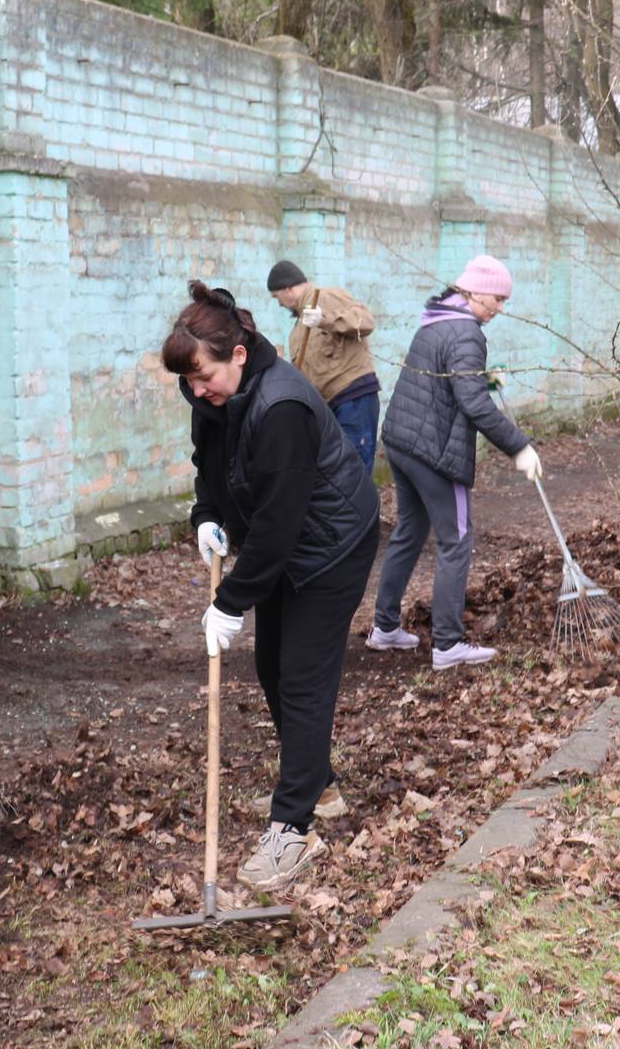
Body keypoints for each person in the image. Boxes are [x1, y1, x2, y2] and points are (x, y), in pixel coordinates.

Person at [164, 280, 381, 892]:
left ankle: (293, 829)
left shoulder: (282, 404)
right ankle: (318, 785)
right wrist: (206, 515)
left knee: (303, 676)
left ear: (238, 354)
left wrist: (231, 600)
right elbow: (208, 461)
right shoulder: (212, 389)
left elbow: (281, 525)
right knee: (271, 667)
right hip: (286, 540)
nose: (197, 390)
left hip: (333, 544)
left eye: (204, 377)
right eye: (189, 381)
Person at [367, 255, 542, 670]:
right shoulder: (467, 333)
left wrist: (484, 378)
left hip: (402, 441)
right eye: (497, 299)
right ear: (476, 291)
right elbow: (474, 405)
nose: (500, 308)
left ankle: (385, 627)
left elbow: (451, 379)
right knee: (456, 539)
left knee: (410, 530)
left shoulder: (436, 319)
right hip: (434, 452)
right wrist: (520, 448)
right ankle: (447, 644)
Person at [266, 259, 383, 471]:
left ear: (288, 288)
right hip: (330, 407)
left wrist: (325, 320)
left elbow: (366, 321)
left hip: (353, 398)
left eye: (277, 297)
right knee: (339, 473)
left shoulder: (326, 297)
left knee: (354, 470)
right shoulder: (298, 329)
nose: (279, 304)